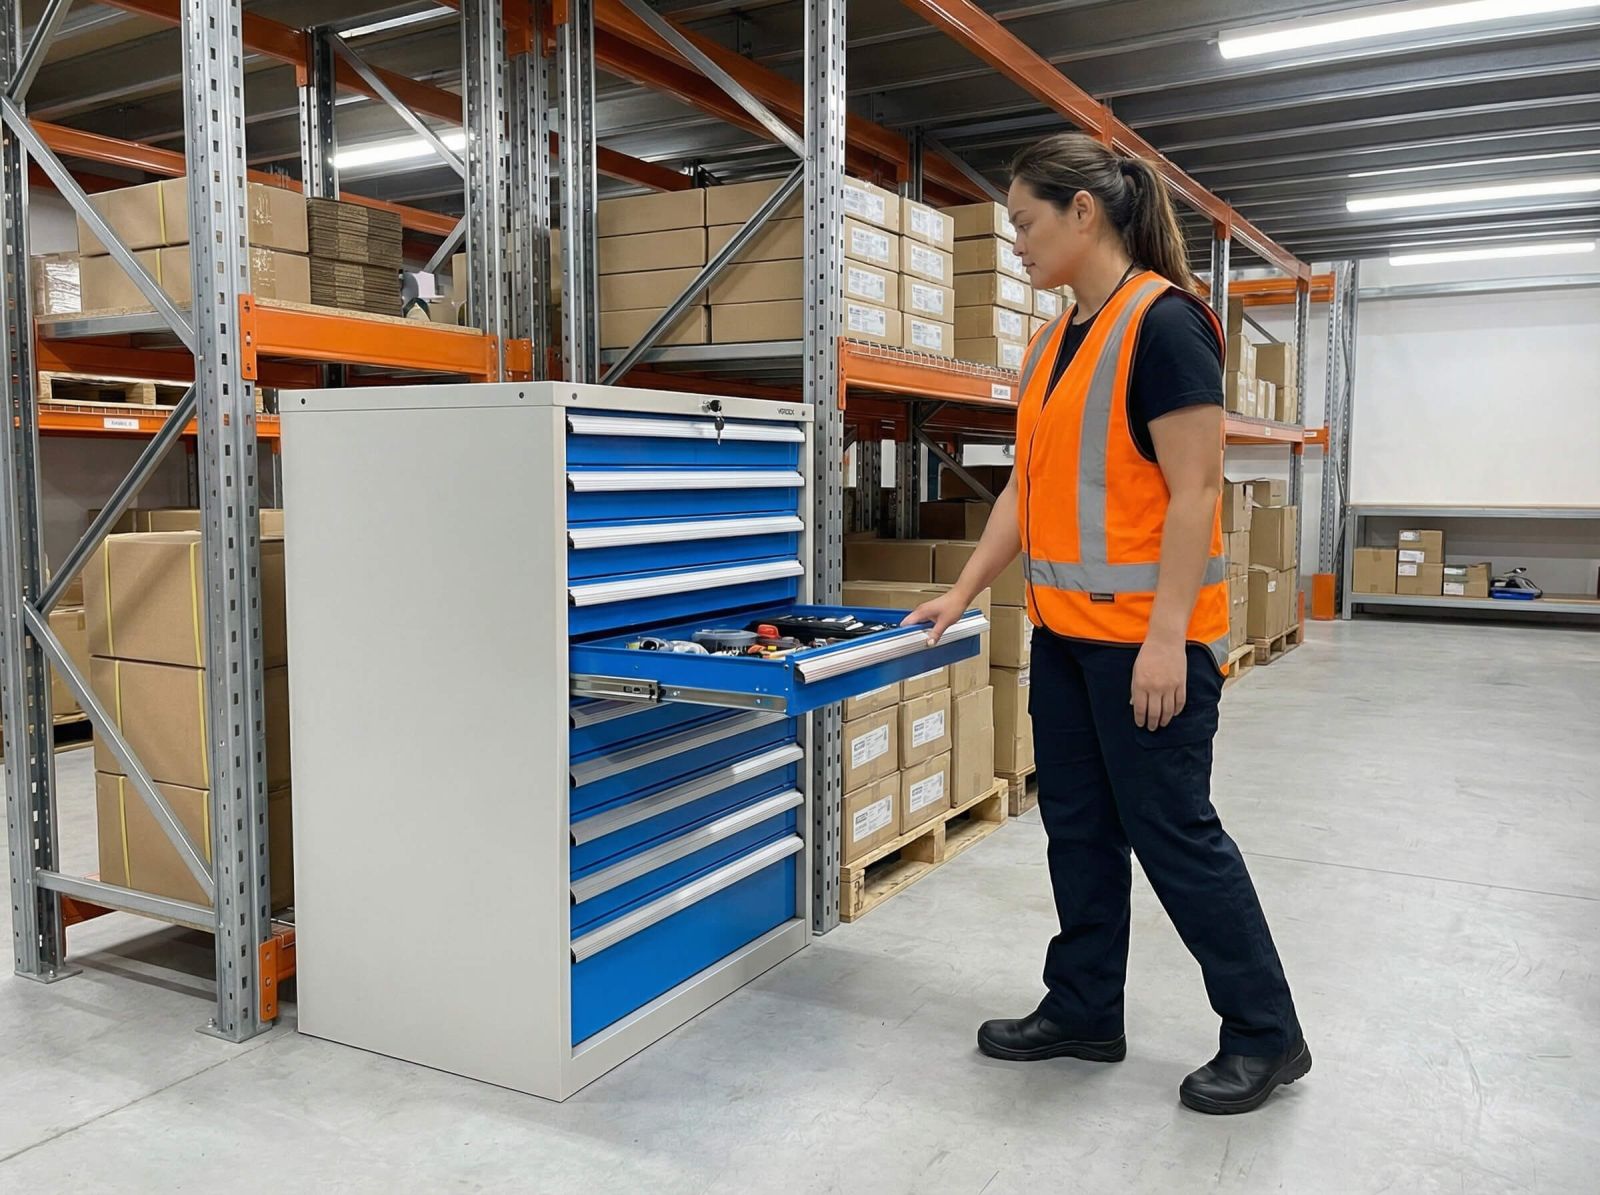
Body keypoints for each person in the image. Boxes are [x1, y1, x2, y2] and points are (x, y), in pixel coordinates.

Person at [903, 133, 1309, 1115]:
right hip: (1065, 639)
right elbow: (1028, 494)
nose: (1017, 244)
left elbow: (1195, 489)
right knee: (1077, 831)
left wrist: (1169, 637)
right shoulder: (1053, 341)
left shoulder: (1166, 327)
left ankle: (1266, 1033)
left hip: (1145, 647)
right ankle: (1083, 1007)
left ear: (1083, 214)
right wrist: (962, 591)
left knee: (1173, 834)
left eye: (1025, 223)